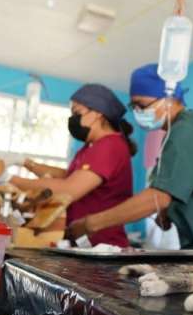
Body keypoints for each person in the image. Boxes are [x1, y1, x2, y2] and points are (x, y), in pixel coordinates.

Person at [66, 64, 193, 249]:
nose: (138, 112)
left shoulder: (186, 131)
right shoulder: (175, 133)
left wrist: (91, 224)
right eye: (134, 107)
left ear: (169, 98)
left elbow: (158, 197)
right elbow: (170, 191)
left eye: (142, 105)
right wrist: (168, 211)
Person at [9, 84, 137, 247]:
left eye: (77, 113)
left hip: (101, 245)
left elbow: (69, 189)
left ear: (98, 113)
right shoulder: (92, 146)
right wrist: (26, 163)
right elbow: (68, 175)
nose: (72, 119)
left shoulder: (109, 146)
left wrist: (14, 181)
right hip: (83, 241)